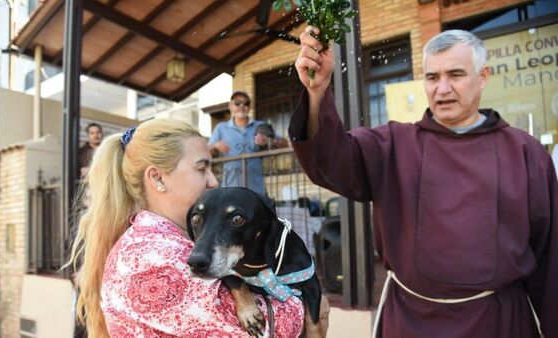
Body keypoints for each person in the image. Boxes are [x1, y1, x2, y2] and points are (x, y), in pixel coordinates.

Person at [292, 27, 557, 338]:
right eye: (432, 77)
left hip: (497, 322)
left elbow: (551, 258)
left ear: (483, 77)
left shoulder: (525, 152)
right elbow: (331, 161)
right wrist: (317, 92)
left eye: (456, 74)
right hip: (410, 320)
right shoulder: (393, 145)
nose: (442, 88)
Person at [68, 118, 320, 337]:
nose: (214, 181)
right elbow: (273, 329)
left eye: (213, 168)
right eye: (202, 169)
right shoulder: (152, 259)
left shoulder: (170, 242)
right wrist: (309, 301)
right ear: (157, 178)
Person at [209, 90, 288, 195]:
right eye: (237, 103)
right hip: (230, 187)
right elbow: (208, 153)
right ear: (230, 106)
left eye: (246, 103)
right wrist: (216, 145)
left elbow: (285, 144)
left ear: (250, 107)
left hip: (256, 187)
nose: (242, 105)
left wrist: (269, 141)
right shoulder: (221, 128)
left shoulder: (261, 126)